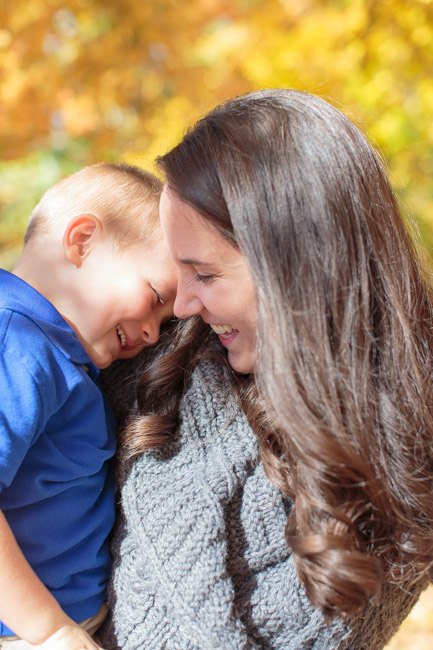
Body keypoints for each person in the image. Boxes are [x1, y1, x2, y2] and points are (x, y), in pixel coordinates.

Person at [100, 90, 433, 649]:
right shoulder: (153, 363)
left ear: (298, 269)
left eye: (204, 275)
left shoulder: (405, 465)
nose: (180, 306)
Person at [0, 163, 178, 650]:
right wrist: (49, 630)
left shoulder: (58, 353)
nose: (154, 333)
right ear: (82, 242)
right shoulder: (15, 342)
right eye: (156, 296)